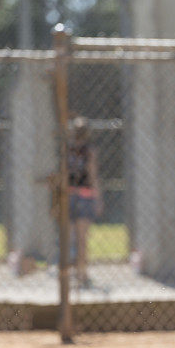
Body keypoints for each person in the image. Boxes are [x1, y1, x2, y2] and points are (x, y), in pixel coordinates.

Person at [67, 116, 102, 286]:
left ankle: (77, 273)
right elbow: (92, 174)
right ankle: (82, 273)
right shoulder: (89, 150)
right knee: (82, 239)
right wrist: (98, 197)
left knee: (73, 238)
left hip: (70, 193)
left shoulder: (67, 149)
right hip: (85, 194)